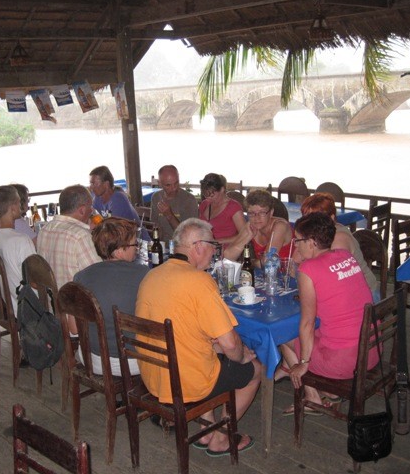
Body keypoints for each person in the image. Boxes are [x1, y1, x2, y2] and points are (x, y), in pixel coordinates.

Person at [136, 218, 261, 456]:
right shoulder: (199, 281)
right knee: (255, 370)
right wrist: (242, 357)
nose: (214, 252)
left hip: (154, 376)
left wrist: (218, 348)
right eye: (213, 246)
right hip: (185, 381)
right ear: (199, 246)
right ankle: (221, 438)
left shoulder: (151, 275)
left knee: (209, 355)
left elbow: (186, 332)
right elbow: (230, 343)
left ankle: (205, 431)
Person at [280, 212, 375, 414]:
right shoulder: (346, 256)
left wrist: (303, 363)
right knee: (314, 333)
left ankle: (312, 397)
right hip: (371, 350)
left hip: (346, 361)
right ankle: (328, 391)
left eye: (298, 240)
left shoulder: (308, 269)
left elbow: (307, 323)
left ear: (312, 242)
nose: (296, 245)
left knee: (283, 336)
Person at [74, 218, 149, 376]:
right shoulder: (144, 275)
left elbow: (74, 329)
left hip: (90, 358)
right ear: (119, 250)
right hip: (130, 362)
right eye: (134, 244)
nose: (137, 249)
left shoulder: (81, 276)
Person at [37, 185, 101, 332]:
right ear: (82, 210)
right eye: (90, 207)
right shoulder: (80, 236)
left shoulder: (44, 230)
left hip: (52, 311)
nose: (92, 210)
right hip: (76, 317)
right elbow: (97, 277)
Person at [299, 193, 377, 297]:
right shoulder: (315, 235)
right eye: (306, 218)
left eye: (315, 219)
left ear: (331, 218)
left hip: (364, 294)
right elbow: (295, 259)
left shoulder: (338, 238)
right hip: (339, 288)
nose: (309, 223)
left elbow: (331, 279)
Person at [0, 185, 36, 313]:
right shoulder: (22, 240)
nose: (21, 205)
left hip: (7, 299)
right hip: (25, 307)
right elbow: (34, 281)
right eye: (19, 202)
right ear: (13, 208)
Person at [224, 189, 294, 264]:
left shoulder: (280, 226)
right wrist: (247, 237)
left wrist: (250, 262)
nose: (256, 218)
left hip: (288, 270)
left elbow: (267, 261)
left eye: (262, 212)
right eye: (251, 213)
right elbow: (228, 256)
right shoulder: (251, 225)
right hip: (264, 271)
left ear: (271, 212)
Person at [88, 165, 150, 241]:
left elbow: (112, 228)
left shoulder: (118, 199)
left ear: (106, 184)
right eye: (90, 183)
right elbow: (91, 216)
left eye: (93, 184)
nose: (91, 187)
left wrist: (97, 225)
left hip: (138, 241)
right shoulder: (97, 198)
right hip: (120, 239)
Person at [150, 165, 198, 241]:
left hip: (181, 245)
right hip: (162, 244)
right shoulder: (156, 197)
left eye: (176, 183)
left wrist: (169, 215)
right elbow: (155, 226)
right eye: (168, 185)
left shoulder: (189, 200)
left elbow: (188, 236)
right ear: (160, 183)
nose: (174, 188)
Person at [198, 173, 246, 245]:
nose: (208, 199)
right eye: (206, 195)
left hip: (226, 249)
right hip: (205, 247)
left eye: (212, 196)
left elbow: (245, 235)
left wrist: (217, 241)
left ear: (222, 189)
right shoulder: (204, 204)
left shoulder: (234, 207)